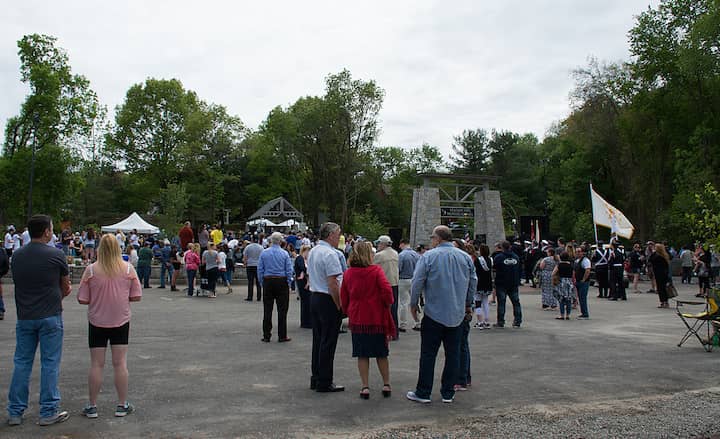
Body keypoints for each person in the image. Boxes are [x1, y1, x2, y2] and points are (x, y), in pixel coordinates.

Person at [7, 215, 72, 426]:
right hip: (50, 315)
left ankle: (15, 411)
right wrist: (55, 298)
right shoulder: (56, 255)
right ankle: (48, 410)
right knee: (50, 363)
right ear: (46, 231)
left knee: (22, 362)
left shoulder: (17, 256)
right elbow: (66, 286)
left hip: (25, 315)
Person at [407, 225, 476, 404]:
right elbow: (472, 282)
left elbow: (417, 281)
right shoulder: (465, 257)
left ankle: (423, 392)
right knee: (453, 354)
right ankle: (448, 392)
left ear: (437, 238)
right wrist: (468, 304)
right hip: (457, 313)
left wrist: (413, 304)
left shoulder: (428, 256)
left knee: (428, 354)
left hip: (434, 312)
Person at [77, 234, 142, 418]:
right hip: (120, 321)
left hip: (97, 321)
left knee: (96, 364)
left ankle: (92, 405)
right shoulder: (128, 269)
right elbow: (136, 296)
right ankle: (122, 404)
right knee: (120, 363)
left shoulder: (90, 270)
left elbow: (83, 299)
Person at [340, 241, 395, 400]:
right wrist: (386, 303)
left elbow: (344, 297)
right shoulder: (376, 271)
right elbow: (387, 292)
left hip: (358, 318)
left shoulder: (349, 273)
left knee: (362, 354)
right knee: (381, 353)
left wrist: (347, 309)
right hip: (376, 317)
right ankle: (386, 384)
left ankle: (365, 386)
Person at [307, 222, 346, 393]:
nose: (339, 238)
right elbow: (333, 283)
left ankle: (316, 377)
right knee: (328, 342)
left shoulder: (314, 250)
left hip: (315, 295)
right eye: (338, 235)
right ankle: (324, 380)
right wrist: (339, 304)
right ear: (330, 235)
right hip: (327, 298)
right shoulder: (330, 254)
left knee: (318, 340)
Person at [258, 232, 293, 343]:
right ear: (281, 241)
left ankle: (266, 335)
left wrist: (262, 282)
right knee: (282, 310)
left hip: (268, 280)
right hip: (281, 281)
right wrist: (288, 282)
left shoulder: (264, 253)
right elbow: (289, 270)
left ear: (271, 241)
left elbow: (260, 269)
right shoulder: (284, 254)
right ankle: (282, 335)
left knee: (267, 309)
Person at [374, 235, 399, 339]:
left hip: (384, 284)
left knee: (384, 309)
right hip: (395, 283)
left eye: (379, 243)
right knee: (394, 308)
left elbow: (373, 268)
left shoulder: (379, 255)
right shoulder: (395, 253)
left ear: (383, 244)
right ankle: (395, 331)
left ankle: (384, 331)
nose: (378, 245)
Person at [494, 240, 522, 328]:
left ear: (501, 247)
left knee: (501, 303)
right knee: (516, 302)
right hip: (513, 283)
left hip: (501, 282)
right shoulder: (516, 257)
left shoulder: (498, 257)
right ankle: (518, 320)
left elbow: (494, 269)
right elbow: (519, 269)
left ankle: (501, 321)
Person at [397, 239, 420, 332]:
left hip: (403, 279)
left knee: (403, 303)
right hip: (414, 280)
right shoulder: (417, 255)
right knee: (415, 302)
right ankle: (418, 322)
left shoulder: (401, 255)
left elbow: (399, 268)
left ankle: (403, 324)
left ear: (403, 244)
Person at [473, 244, 493, 329]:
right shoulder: (491, 260)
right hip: (488, 282)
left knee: (478, 302)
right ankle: (487, 321)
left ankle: (480, 321)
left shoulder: (478, 260)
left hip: (479, 282)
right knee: (485, 302)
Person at [552, 251, 575, 320]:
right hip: (569, 282)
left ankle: (562, 315)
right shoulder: (571, 265)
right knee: (568, 299)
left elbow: (553, 273)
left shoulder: (559, 265)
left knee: (561, 299)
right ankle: (568, 315)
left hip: (561, 282)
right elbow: (573, 274)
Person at [649, 243, 671, 308]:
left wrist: (653, 252)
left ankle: (663, 301)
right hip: (664, 273)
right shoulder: (664, 255)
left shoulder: (657, 256)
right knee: (663, 288)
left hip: (659, 273)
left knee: (661, 288)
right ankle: (665, 302)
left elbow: (651, 260)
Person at [295, 245, 312, 329]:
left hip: (306, 281)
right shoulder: (300, 259)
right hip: (302, 282)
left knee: (307, 302)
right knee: (305, 301)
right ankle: (306, 322)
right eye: (308, 251)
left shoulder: (306, 260)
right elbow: (303, 268)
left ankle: (307, 320)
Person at [574, 246, 592, 319]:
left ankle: (585, 314)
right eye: (576, 252)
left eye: (579, 252)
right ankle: (583, 312)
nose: (577, 253)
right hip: (578, 281)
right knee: (580, 298)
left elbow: (587, 270)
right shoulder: (577, 261)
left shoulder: (586, 261)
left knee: (582, 298)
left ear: (583, 252)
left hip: (583, 282)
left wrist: (584, 279)